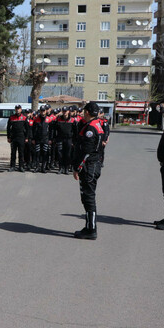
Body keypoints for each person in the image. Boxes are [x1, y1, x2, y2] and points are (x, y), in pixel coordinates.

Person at [71, 102, 104, 240]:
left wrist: (77, 168)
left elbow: (87, 151)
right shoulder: (95, 124)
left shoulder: (91, 128)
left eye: (84, 112)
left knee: (88, 198)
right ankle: (89, 226)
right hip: (93, 165)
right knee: (87, 198)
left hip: (89, 167)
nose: (83, 114)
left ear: (88, 113)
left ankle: (91, 230)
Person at [6, 104, 27, 172]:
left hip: (21, 137)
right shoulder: (11, 117)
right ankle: (12, 166)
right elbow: (8, 128)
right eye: (16, 109)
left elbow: (27, 129)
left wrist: (26, 137)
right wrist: (8, 137)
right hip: (13, 137)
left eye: (19, 109)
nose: (17, 110)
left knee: (21, 153)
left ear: (21, 109)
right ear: (15, 110)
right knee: (13, 153)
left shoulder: (24, 117)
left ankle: (21, 166)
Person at [55, 108, 75, 175]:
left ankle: (66, 168)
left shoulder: (72, 120)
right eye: (63, 111)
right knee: (60, 154)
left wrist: (74, 141)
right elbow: (55, 130)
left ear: (68, 112)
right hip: (60, 139)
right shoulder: (58, 119)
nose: (64, 112)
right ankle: (61, 168)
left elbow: (75, 131)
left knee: (68, 154)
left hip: (69, 139)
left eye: (65, 111)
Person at [32, 105, 52, 173]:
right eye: (41, 111)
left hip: (45, 139)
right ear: (40, 111)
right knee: (37, 153)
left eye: (44, 111)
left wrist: (50, 139)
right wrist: (33, 139)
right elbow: (33, 130)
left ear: (46, 111)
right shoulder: (36, 119)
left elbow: (51, 130)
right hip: (38, 139)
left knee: (45, 154)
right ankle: (37, 167)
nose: (42, 112)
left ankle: (43, 167)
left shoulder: (49, 119)